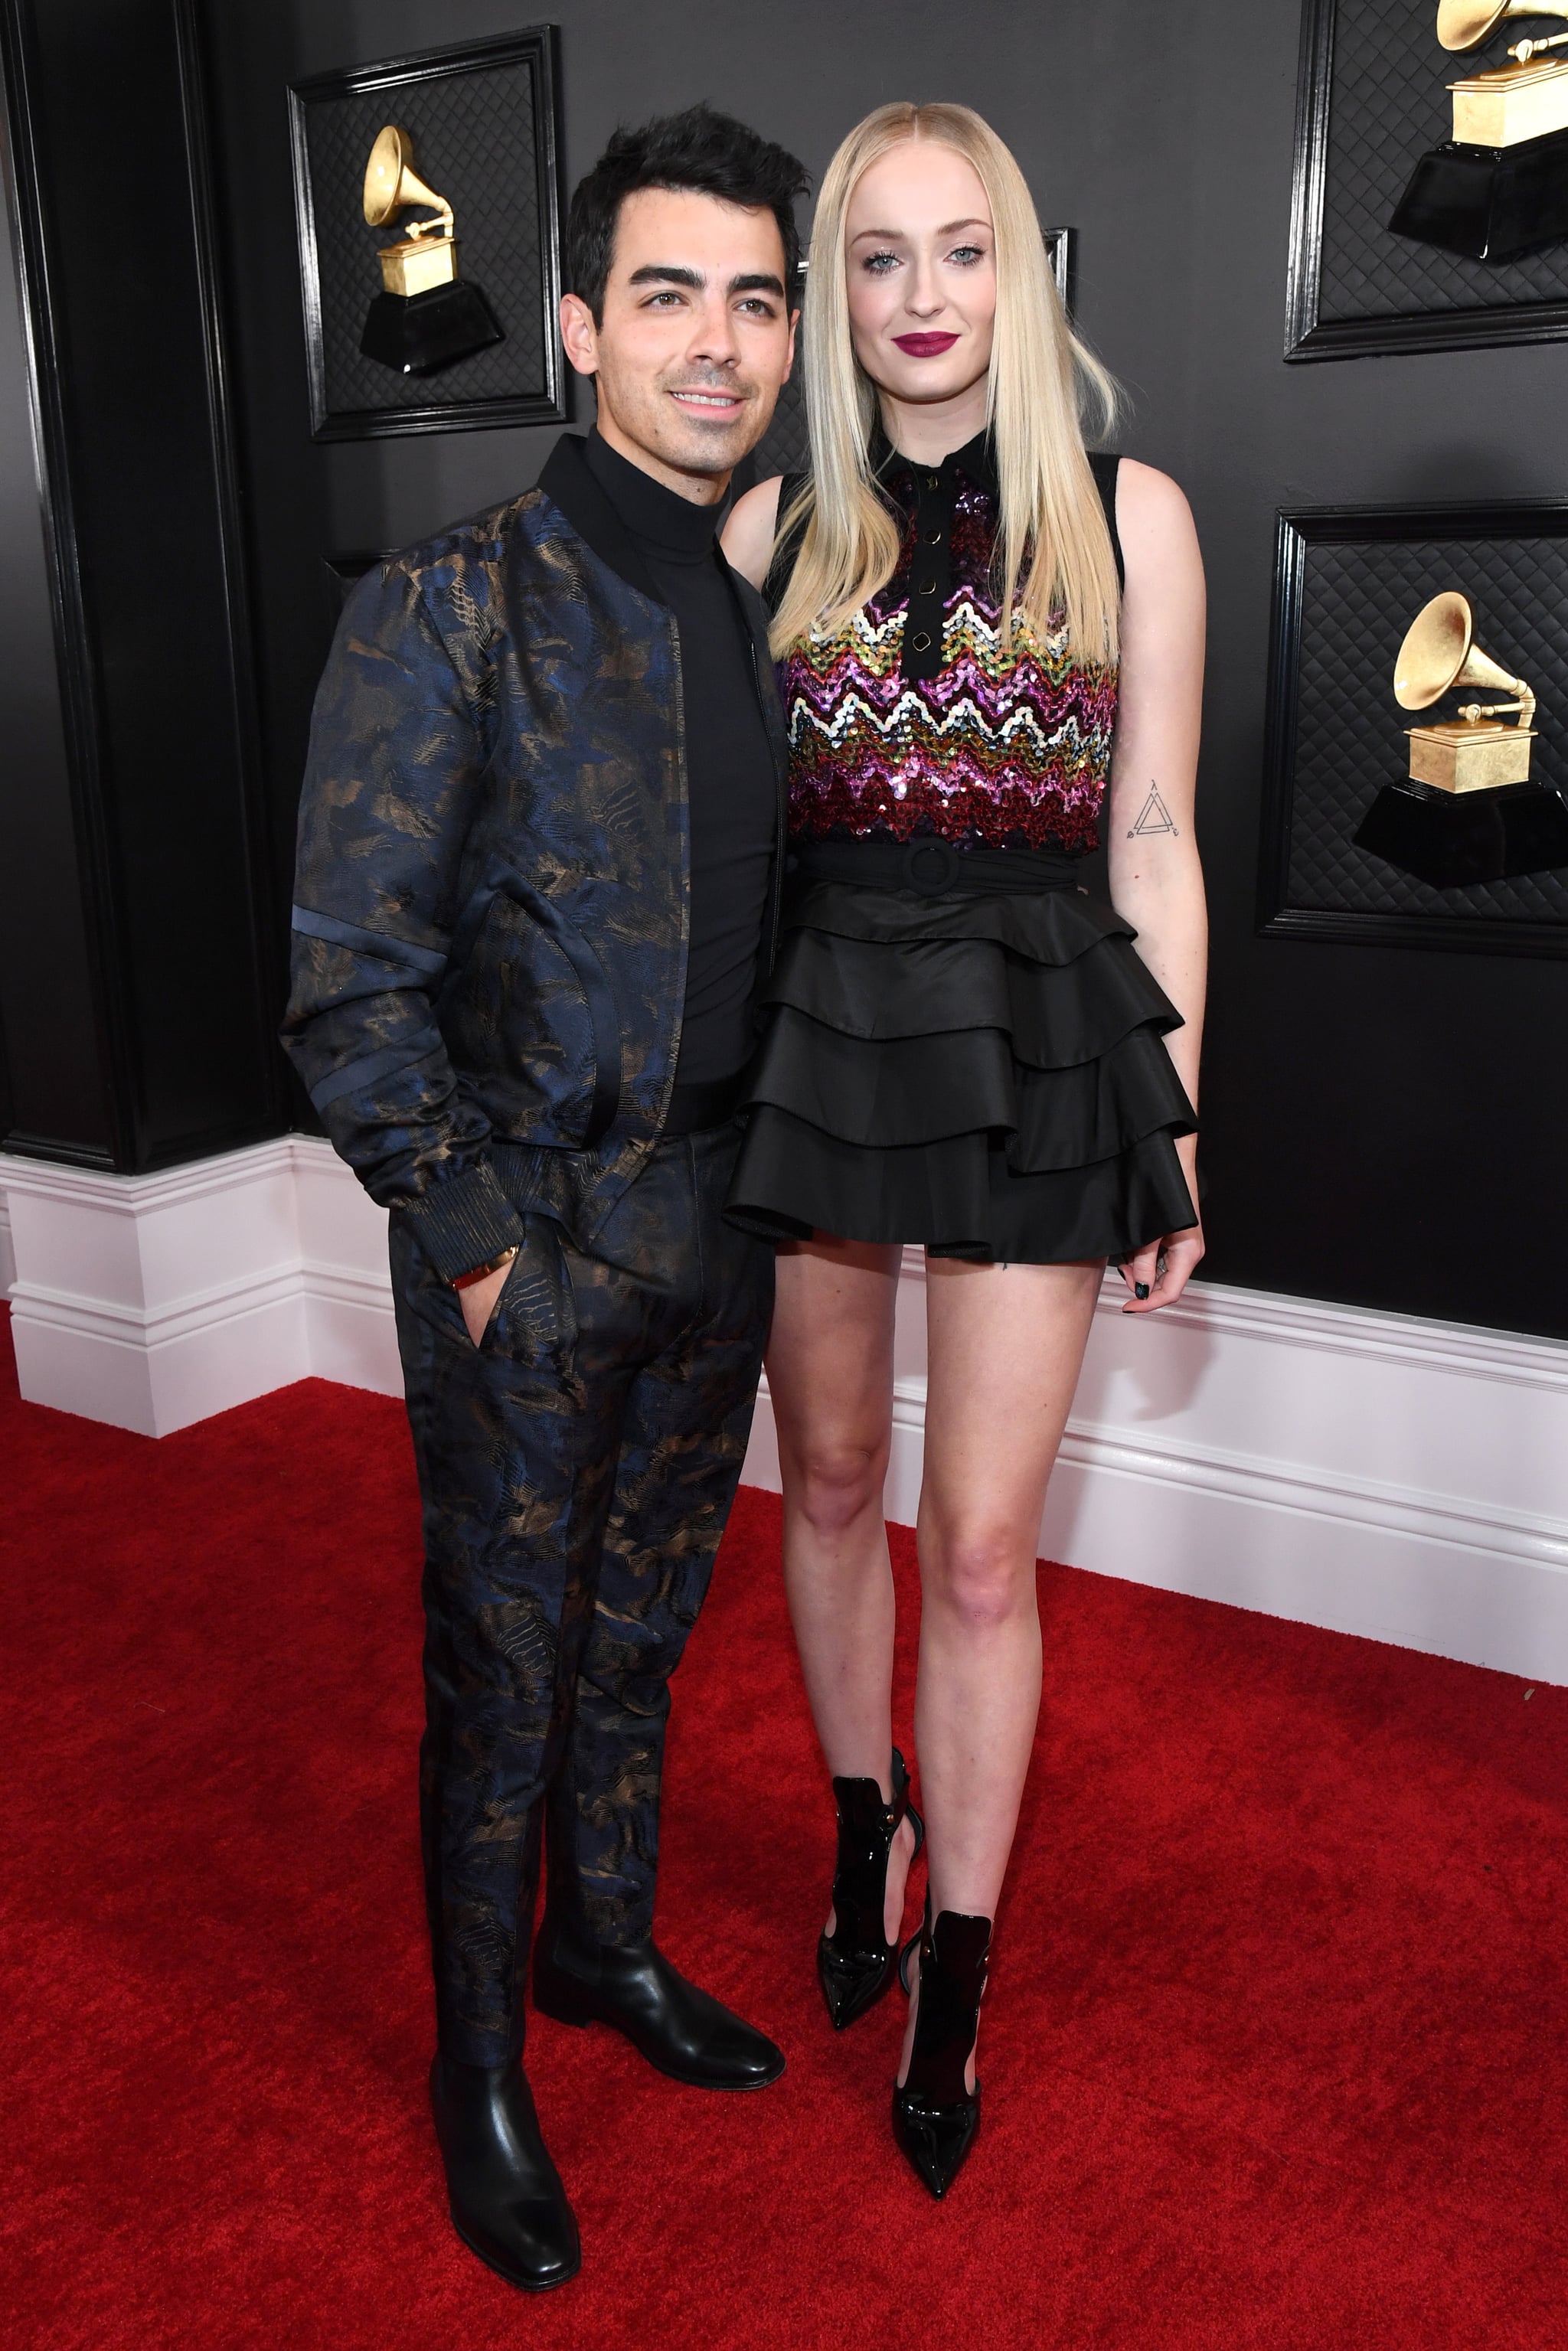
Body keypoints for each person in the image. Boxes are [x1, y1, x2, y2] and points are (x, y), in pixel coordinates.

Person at [282, 105, 808, 2292]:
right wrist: (483, 1243)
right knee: (502, 1674)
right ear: (581, 321)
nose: (719, 343)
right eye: (669, 295)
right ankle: (475, 2065)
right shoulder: (447, 604)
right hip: (537, 1237)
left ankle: (605, 1954)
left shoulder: (774, 591)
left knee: (644, 1642)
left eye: (757, 301)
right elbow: (349, 983)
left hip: (726, 1228)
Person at [722, 100, 1207, 2199]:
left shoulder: (1131, 513)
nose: (922, 299)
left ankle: (960, 1970)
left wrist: (1185, 1119)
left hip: (1035, 1039)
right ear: (835, 291)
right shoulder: (771, 534)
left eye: (961, 251)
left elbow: (1159, 834)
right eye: (877, 258)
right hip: (818, 1034)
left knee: (983, 1546)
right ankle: (866, 1828)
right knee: (825, 1483)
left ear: (1020, 270)